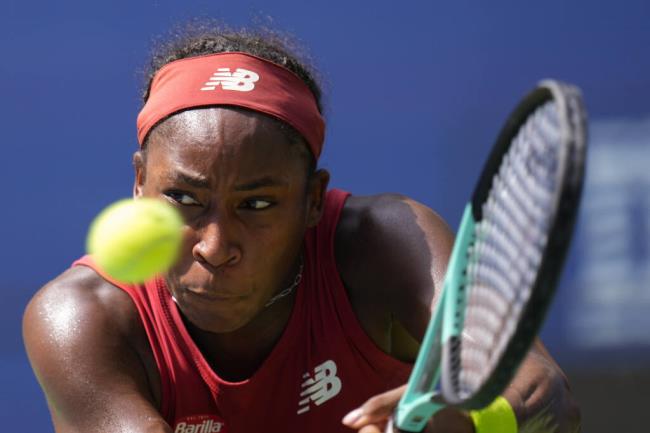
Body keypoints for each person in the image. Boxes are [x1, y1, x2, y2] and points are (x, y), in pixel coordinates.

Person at [23, 23, 580, 433]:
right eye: (184, 198)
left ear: (313, 200)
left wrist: (461, 419)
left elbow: (541, 387)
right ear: (139, 183)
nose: (215, 247)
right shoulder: (81, 321)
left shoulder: (382, 245)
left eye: (258, 203)